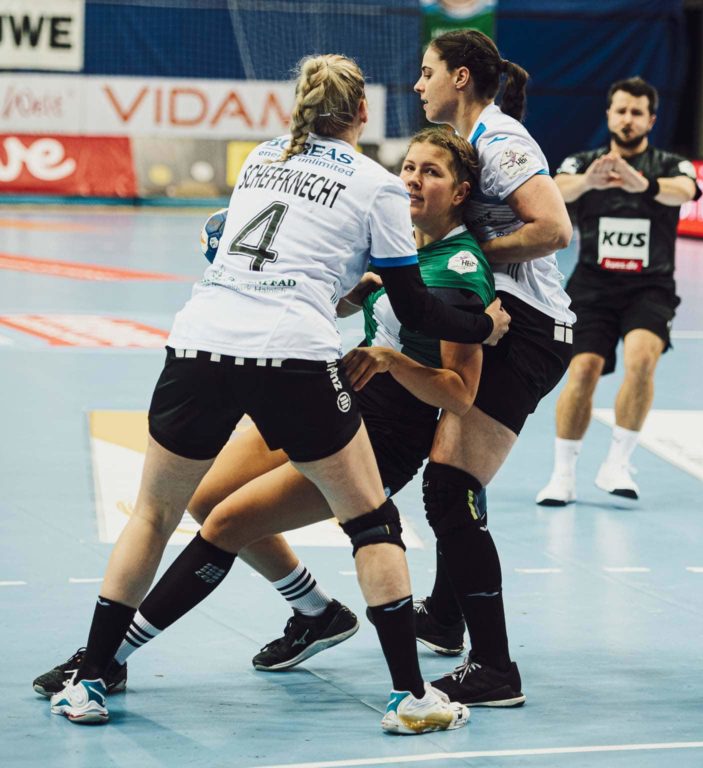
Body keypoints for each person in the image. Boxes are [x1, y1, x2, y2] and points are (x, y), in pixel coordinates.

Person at [46, 54, 512, 733]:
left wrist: (364, 306)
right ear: (361, 114)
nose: (412, 179)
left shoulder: (263, 158)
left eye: (429, 172)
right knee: (364, 522)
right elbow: (412, 304)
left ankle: (93, 673)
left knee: (156, 515)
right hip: (292, 357)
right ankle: (404, 694)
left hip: (203, 342)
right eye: (410, 166)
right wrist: (482, 324)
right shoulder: (374, 185)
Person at [408, 29, 575, 706]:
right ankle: (444, 618)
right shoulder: (470, 140)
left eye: (427, 72)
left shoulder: (500, 142)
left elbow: (554, 229)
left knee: (450, 485)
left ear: (461, 77)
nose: (418, 85)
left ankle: (496, 669)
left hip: (530, 329)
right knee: (453, 477)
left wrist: (472, 253)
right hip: (512, 325)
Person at [534, 77, 700, 505]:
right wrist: (590, 182)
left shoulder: (670, 164)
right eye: (621, 110)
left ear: (651, 120)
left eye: (637, 112)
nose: (628, 119)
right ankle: (563, 475)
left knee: (642, 360)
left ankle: (618, 464)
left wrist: (642, 184)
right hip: (593, 285)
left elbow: (686, 191)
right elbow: (555, 188)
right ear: (608, 114)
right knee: (583, 370)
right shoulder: (583, 162)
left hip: (650, 286)